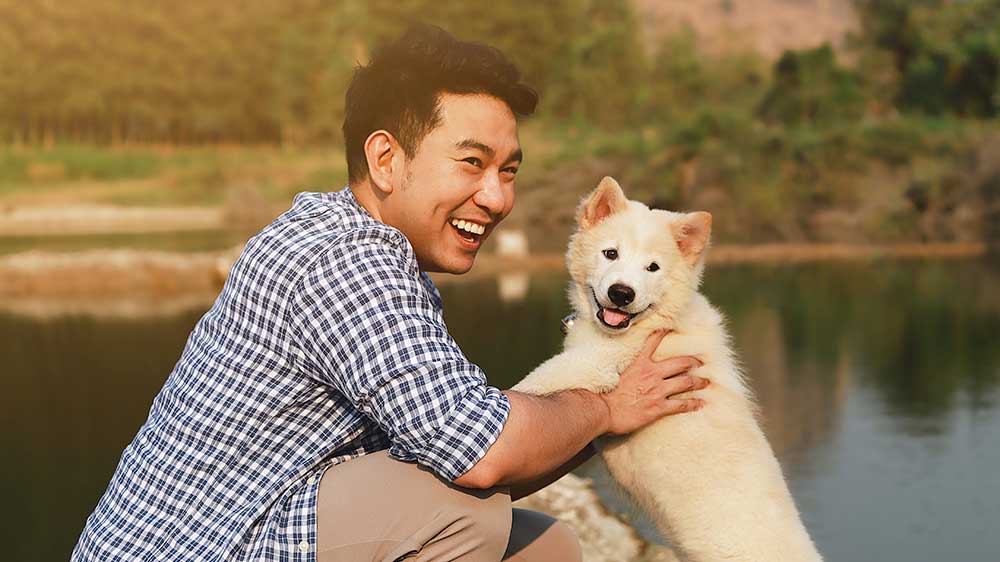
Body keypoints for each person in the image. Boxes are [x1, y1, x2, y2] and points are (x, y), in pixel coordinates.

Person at [72, 25, 708, 562]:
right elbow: (482, 454)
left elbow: (476, 457)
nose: (497, 198)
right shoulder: (345, 262)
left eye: (508, 170)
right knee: (466, 517)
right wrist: (604, 408)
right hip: (203, 547)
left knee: (546, 549)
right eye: (472, 163)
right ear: (384, 159)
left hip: (265, 524)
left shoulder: (366, 247)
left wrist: (606, 418)